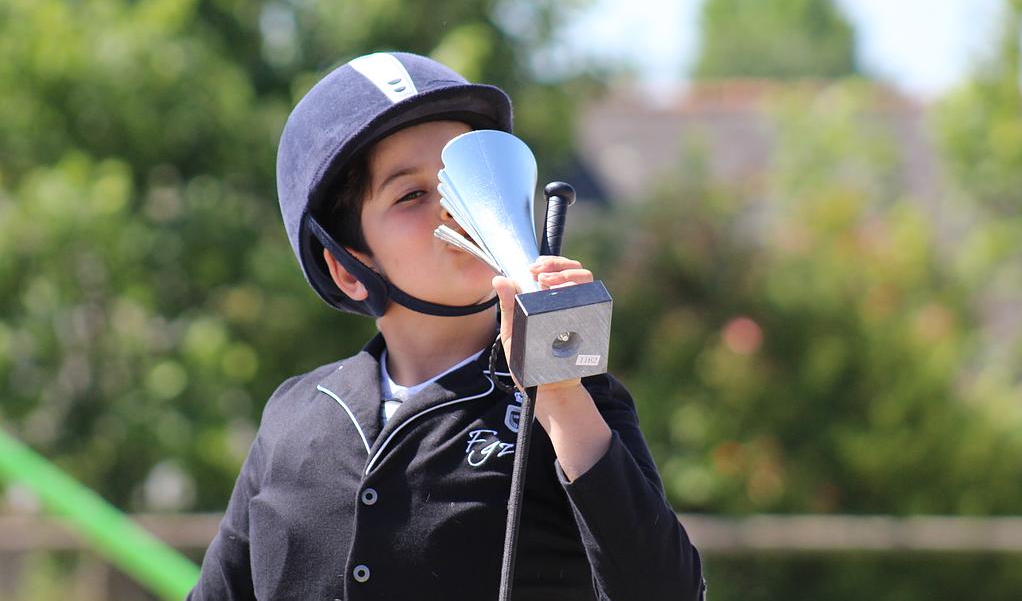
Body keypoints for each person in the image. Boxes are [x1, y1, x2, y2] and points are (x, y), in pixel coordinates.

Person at [188, 52, 706, 600]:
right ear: (346, 266)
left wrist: (559, 392)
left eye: (470, 179)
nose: (456, 207)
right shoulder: (291, 416)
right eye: (412, 194)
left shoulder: (580, 403)